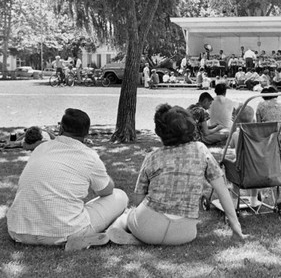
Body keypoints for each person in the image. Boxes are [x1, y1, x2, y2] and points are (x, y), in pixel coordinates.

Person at [106, 104, 245, 246]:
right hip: (185, 233)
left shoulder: (153, 157)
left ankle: (116, 231)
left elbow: (138, 199)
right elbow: (222, 190)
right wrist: (235, 226)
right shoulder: (201, 150)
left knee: (125, 216)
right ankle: (148, 239)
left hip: (147, 227)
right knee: (151, 223)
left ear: (160, 132)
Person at [7, 108, 128, 251]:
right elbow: (107, 191)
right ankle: (101, 232)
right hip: (64, 232)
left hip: (18, 231)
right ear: (86, 132)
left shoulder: (41, 148)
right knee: (120, 195)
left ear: (60, 129)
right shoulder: (89, 156)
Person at [223, 105, 261, 208]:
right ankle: (254, 201)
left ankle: (234, 206)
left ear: (237, 120)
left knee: (235, 180)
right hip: (258, 168)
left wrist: (232, 131)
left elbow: (230, 145)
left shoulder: (236, 135)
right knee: (255, 181)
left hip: (242, 168)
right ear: (253, 119)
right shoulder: (259, 134)